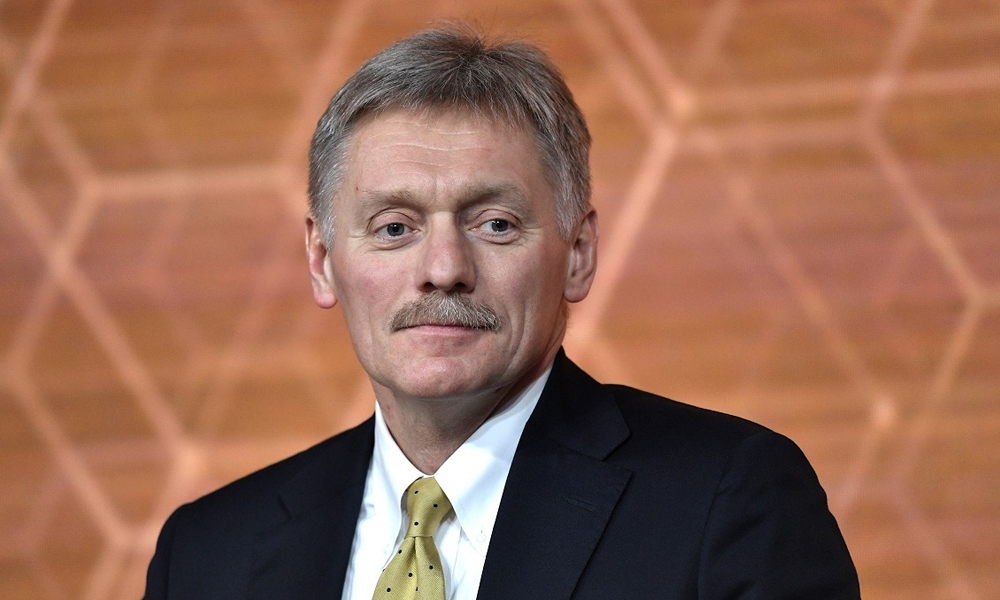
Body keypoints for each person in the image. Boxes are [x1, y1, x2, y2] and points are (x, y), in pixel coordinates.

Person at [144, 25, 860, 600]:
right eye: (394, 227)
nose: (443, 268)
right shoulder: (207, 556)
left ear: (577, 253)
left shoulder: (726, 502)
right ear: (322, 260)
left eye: (494, 224)